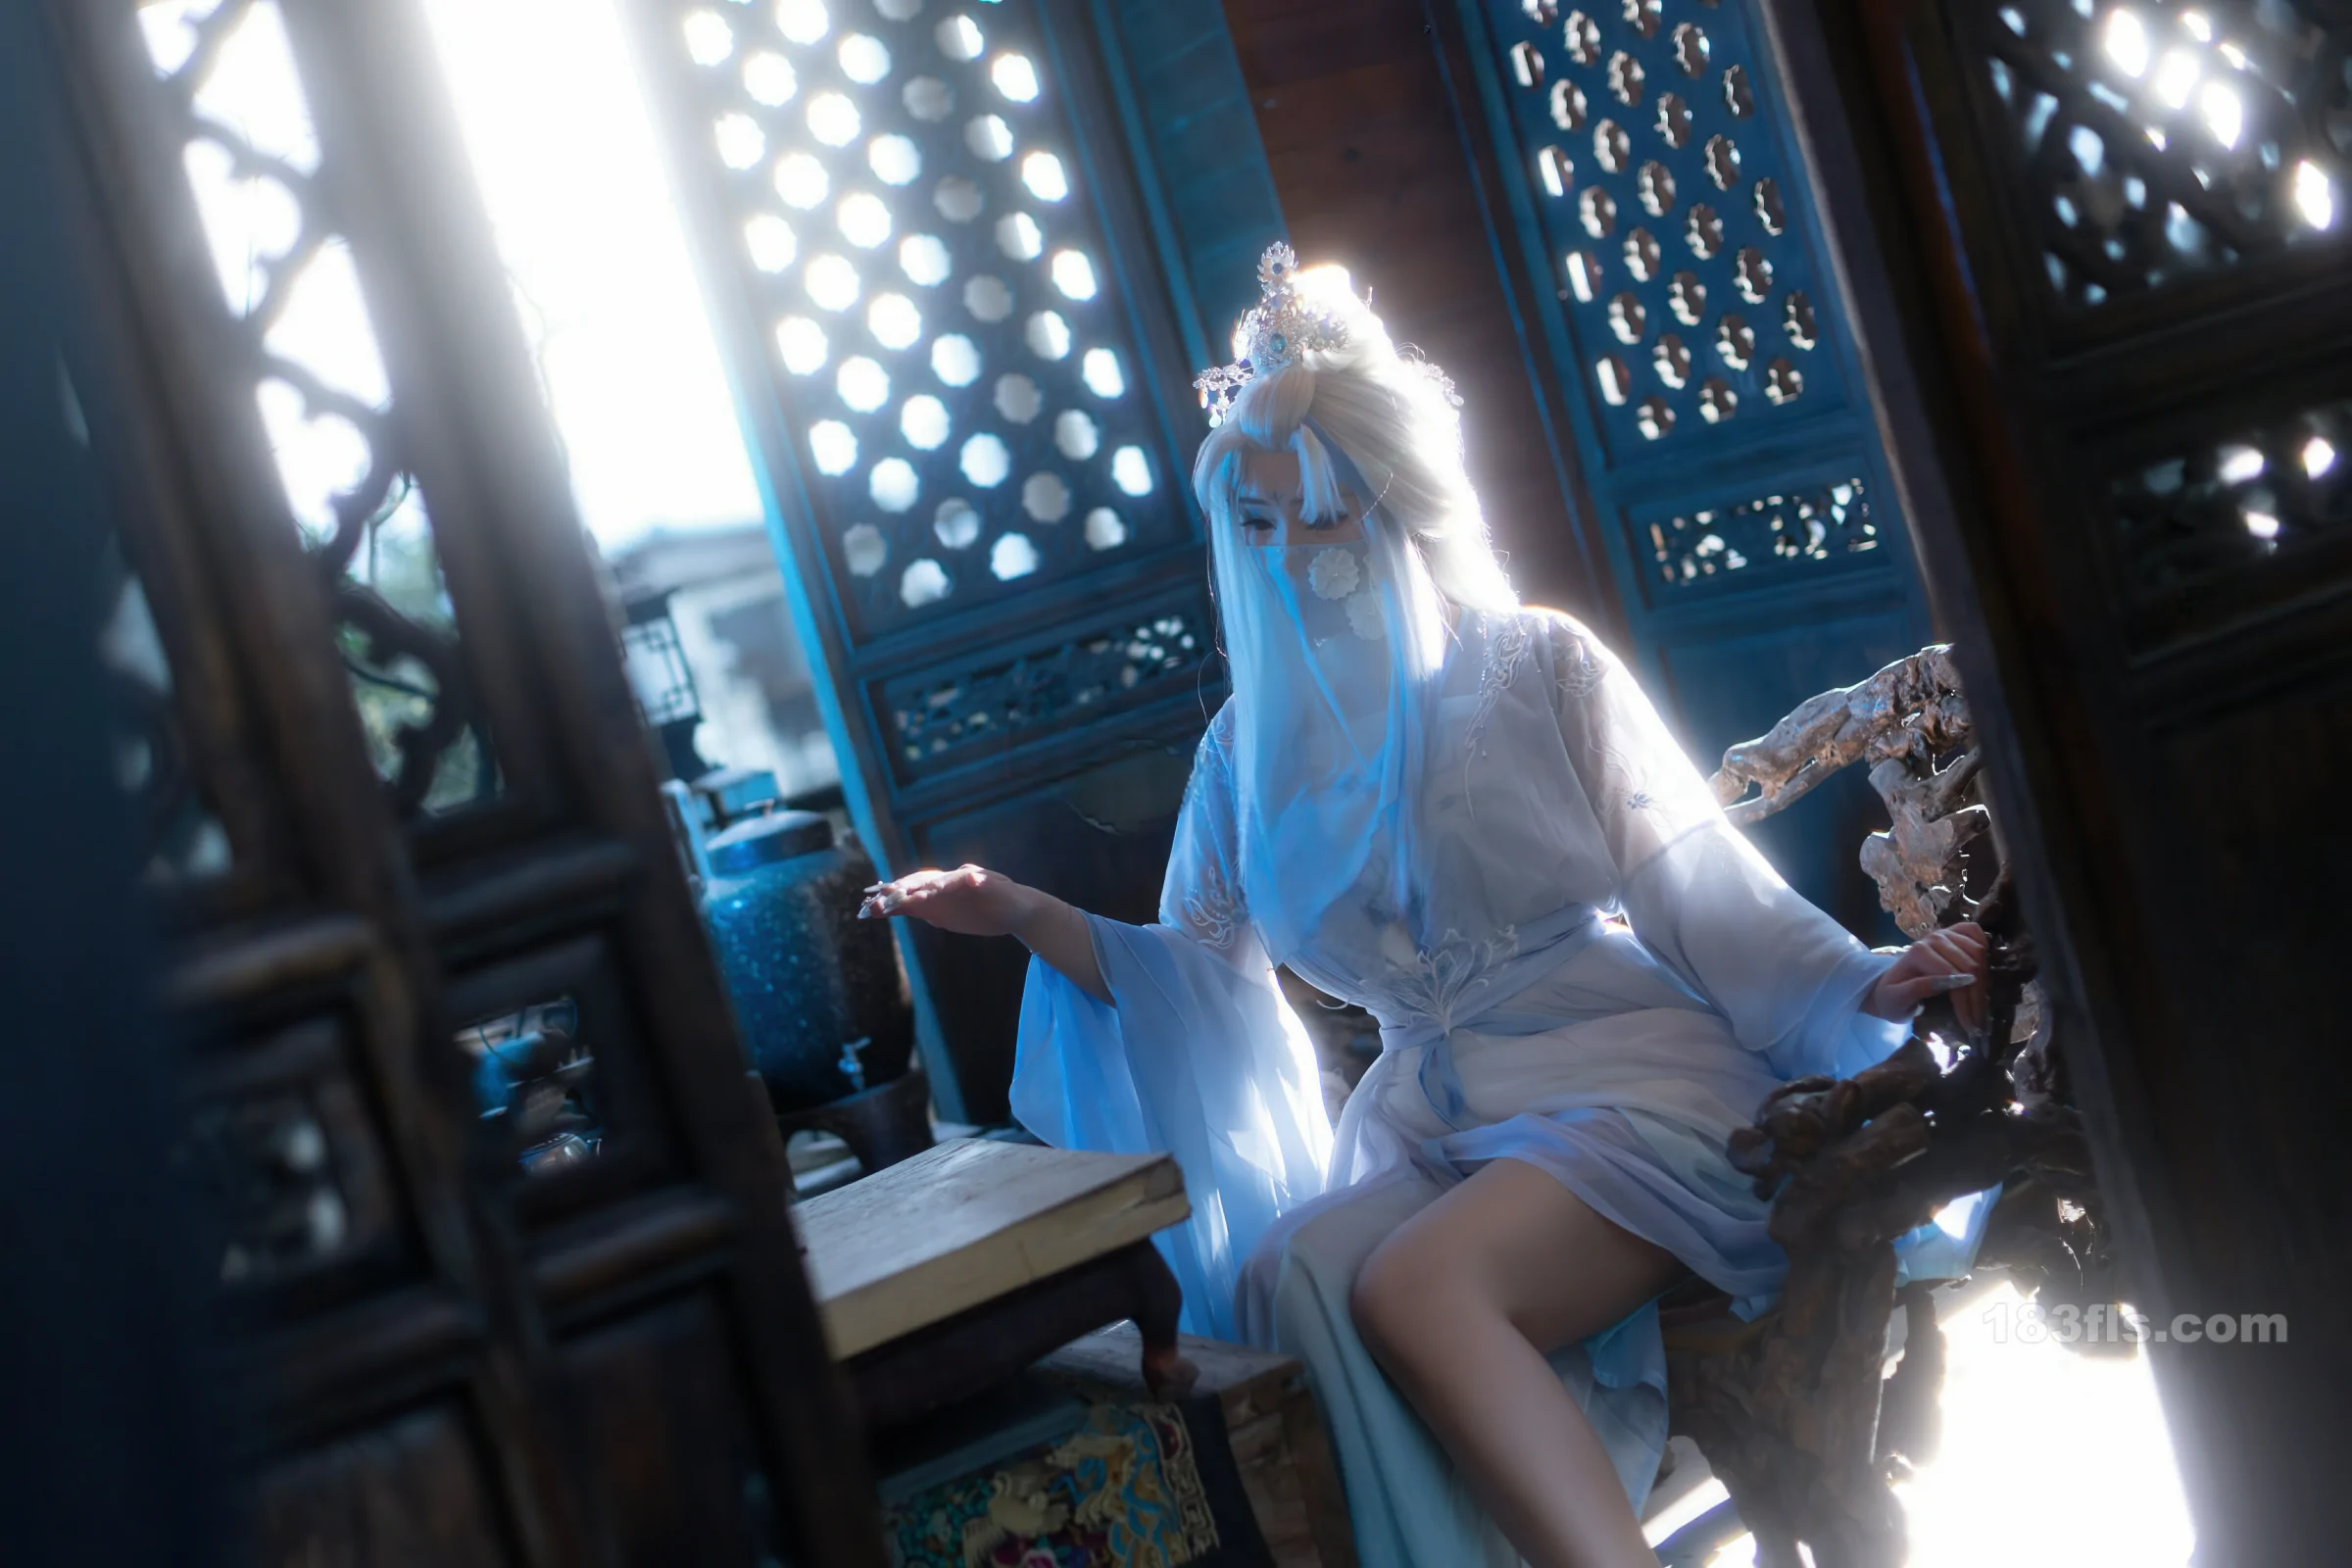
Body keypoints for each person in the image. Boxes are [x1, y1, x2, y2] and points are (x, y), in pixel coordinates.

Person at [859, 244, 1991, 1568]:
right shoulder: (1243, 753)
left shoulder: (1537, 666)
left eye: (1319, 514)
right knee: (1290, 1277)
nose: (1289, 554)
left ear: (1390, 501)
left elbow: (1694, 886)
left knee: (1412, 1285)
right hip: (1429, 1124)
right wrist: (1019, 912)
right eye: (1257, 525)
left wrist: (1855, 982)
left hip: (1627, 1086)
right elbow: (1197, 974)